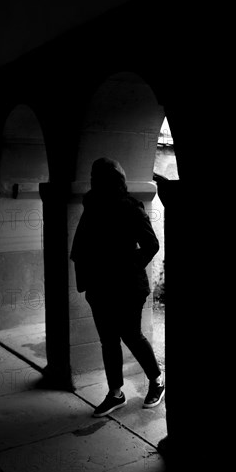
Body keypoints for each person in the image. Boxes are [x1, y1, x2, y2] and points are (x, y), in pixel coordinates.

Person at [70, 157, 165, 417]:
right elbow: (81, 246)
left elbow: (151, 244)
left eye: (98, 177)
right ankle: (115, 394)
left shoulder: (130, 207)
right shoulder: (91, 206)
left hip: (128, 286)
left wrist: (125, 265)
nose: (93, 182)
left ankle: (157, 380)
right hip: (99, 287)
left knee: (131, 335)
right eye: (93, 177)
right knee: (108, 341)